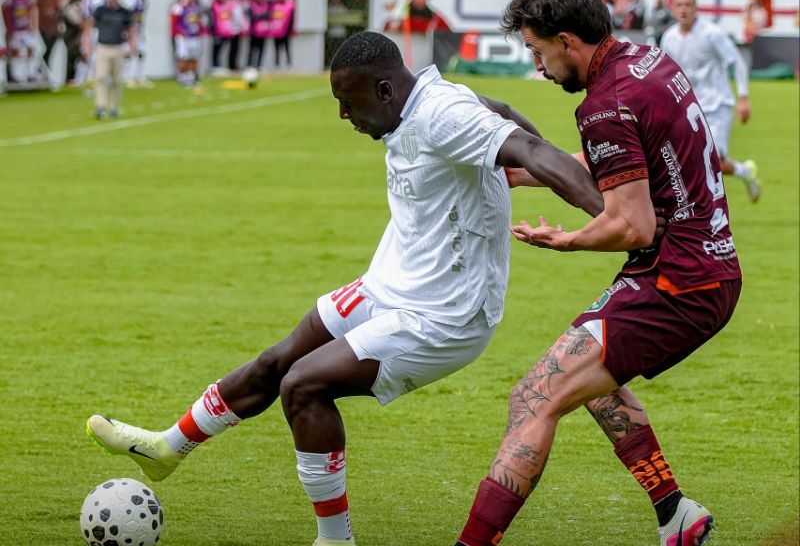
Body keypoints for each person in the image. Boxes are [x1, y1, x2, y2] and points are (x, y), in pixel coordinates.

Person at [85, 30, 608, 546]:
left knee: (303, 385)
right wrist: (509, 164)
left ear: (384, 90)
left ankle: (334, 540)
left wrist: (617, 218)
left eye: (347, 101)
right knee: (276, 361)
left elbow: (532, 147)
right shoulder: (426, 100)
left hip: (443, 315)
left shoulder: (441, 115)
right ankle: (167, 448)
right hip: (389, 282)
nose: (343, 116)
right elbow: (504, 110)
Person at [456, 0, 741, 546]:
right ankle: (676, 515)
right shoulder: (647, 61)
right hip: (702, 266)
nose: (538, 66)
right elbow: (632, 163)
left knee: (535, 395)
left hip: (678, 282)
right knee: (590, 378)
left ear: (567, 41)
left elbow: (631, 225)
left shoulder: (605, 103)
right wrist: (531, 172)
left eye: (538, 51)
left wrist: (566, 240)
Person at [661, 0, 761, 203]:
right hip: (688, 108)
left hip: (718, 106)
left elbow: (737, 62)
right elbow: (665, 74)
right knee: (692, 160)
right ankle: (744, 172)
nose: (684, 9)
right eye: (679, 5)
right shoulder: (669, 38)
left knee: (710, 160)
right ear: (673, 9)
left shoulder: (712, 33)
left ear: (696, 8)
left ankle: (709, 212)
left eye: (688, 5)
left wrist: (743, 98)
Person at [88, 0, 135, 119]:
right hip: (103, 46)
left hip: (118, 47)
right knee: (101, 77)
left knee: (116, 80)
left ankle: (114, 107)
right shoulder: (101, 10)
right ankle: (101, 106)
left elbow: (131, 29)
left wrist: (132, 45)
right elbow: (91, 26)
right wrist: (89, 43)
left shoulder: (124, 12)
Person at [2, 0, 37, 82]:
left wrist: (31, 25)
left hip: (25, 30)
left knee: (31, 49)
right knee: (16, 52)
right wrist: (10, 29)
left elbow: (32, 9)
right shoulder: (10, 0)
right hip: (15, 31)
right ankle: (15, 75)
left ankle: (31, 73)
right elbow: (6, 15)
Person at [124, 0, 152, 87]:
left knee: (141, 53)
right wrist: (127, 31)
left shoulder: (145, 2)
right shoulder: (131, 1)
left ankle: (140, 76)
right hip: (130, 31)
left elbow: (141, 18)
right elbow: (126, 15)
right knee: (129, 53)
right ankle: (127, 76)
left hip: (139, 31)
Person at [36, 0, 62, 70]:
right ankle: (44, 63)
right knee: (47, 45)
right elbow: (38, 7)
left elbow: (58, 13)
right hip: (43, 26)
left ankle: (45, 63)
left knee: (51, 46)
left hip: (52, 27)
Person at [270, 0, 295, 69]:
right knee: (276, 48)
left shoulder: (289, 5)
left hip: (286, 31)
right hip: (276, 31)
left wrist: (291, 29)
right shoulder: (274, 5)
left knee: (287, 48)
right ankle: (277, 64)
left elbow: (292, 19)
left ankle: (288, 64)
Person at [247, 0, 271, 69]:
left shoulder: (266, 4)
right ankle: (250, 65)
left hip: (263, 31)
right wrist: (261, 15)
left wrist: (259, 15)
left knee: (262, 48)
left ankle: (259, 65)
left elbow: (268, 15)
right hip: (254, 31)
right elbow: (252, 16)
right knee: (253, 48)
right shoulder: (252, 4)